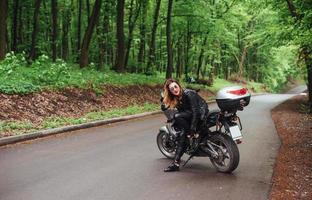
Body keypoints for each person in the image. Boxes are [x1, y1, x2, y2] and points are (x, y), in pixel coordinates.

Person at [162, 78, 209, 172]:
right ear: (170, 91)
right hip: (192, 115)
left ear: (179, 85)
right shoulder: (178, 98)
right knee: (182, 134)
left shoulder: (188, 93)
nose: (175, 89)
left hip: (200, 115)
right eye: (172, 89)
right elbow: (167, 105)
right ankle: (176, 162)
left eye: (175, 86)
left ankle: (176, 162)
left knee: (179, 122)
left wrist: (192, 129)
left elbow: (195, 111)